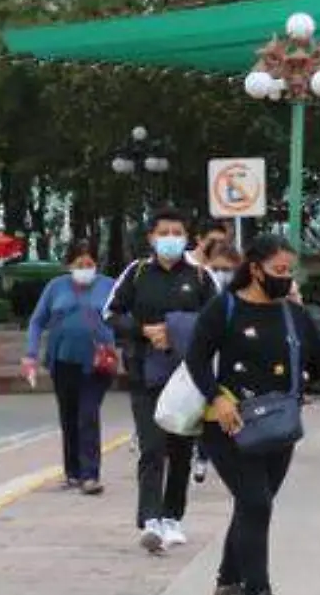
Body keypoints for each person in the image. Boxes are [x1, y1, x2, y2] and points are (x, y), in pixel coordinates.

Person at [183, 233, 320, 595]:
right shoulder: (225, 308)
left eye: (290, 272)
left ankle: (228, 582)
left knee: (254, 501)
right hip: (230, 424)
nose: (286, 278)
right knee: (256, 502)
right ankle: (260, 594)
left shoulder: (293, 314)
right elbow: (196, 359)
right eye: (278, 271)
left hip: (279, 424)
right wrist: (215, 398)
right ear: (254, 269)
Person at [105, 209, 216, 554]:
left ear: (187, 238)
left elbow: (216, 319)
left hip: (186, 377)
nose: (170, 237)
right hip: (144, 374)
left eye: (177, 231)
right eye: (163, 232)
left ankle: (173, 518)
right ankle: (150, 519)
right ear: (151, 238)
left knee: (181, 449)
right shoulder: (136, 273)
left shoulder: (200, 276)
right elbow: (111, 314)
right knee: (152, 447)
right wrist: (143, 330)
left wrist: (176, 331)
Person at [23, 241, 117, 494]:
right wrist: (30, 354)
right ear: (69, 266)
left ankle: (90, 475)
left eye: (90, 264)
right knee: (69, 416)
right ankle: (73, 472)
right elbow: (37, 321)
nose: (85, 268)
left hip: (97, 363)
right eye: (80, 264)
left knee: (88, 414)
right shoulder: (56, 287)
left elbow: (124, 317)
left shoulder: (109, 286)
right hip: (62, 361)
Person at [191, 240, 243, 486]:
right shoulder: (200, 289)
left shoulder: (243, 295)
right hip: (205, 363)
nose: (222, 274)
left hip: (234, 366)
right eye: (217, 268)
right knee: (205, 412)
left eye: (228, 269)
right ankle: (202, 456)